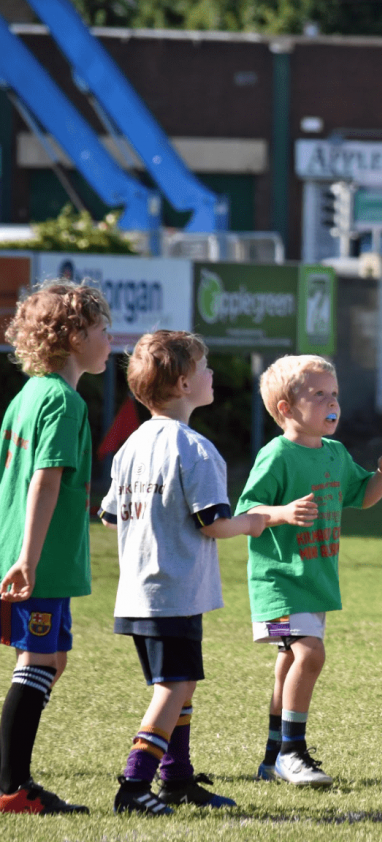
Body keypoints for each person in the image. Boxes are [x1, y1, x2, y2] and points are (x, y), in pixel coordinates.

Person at [100, 331, 268, 814]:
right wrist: (257, 521)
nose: (212, 373)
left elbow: (111, 514)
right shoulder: (194, 448)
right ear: (182, 383)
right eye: (205, 366)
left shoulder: (132, 445)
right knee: (173, 688)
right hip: (171, 589)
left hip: (137, 590)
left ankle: (176, 779)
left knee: (178, 685)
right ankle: (134, 786)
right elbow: (212, 523)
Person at [239, 354, 382, 787]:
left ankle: (272, 756)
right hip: (278, 584)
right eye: (318, 395)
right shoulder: (275, 455)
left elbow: (362, 496)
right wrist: (282, 513)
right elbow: (247, 511)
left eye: (334, 394)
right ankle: (293, 752)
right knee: (309, 654)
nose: (331, 403)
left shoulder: (334, 453)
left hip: (315, 585)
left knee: (289, 661)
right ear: (285, 409)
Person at [0, 282, 111, 815]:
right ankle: (12, 788)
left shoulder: (28, 396)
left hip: (25, 555)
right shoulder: (64, 403)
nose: (112, 339)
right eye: (103, 330)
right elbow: (45, 479)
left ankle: (11, 775)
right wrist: (28, 557)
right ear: (72, 337)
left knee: (50, 660)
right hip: (37, 561)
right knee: (40, 658)